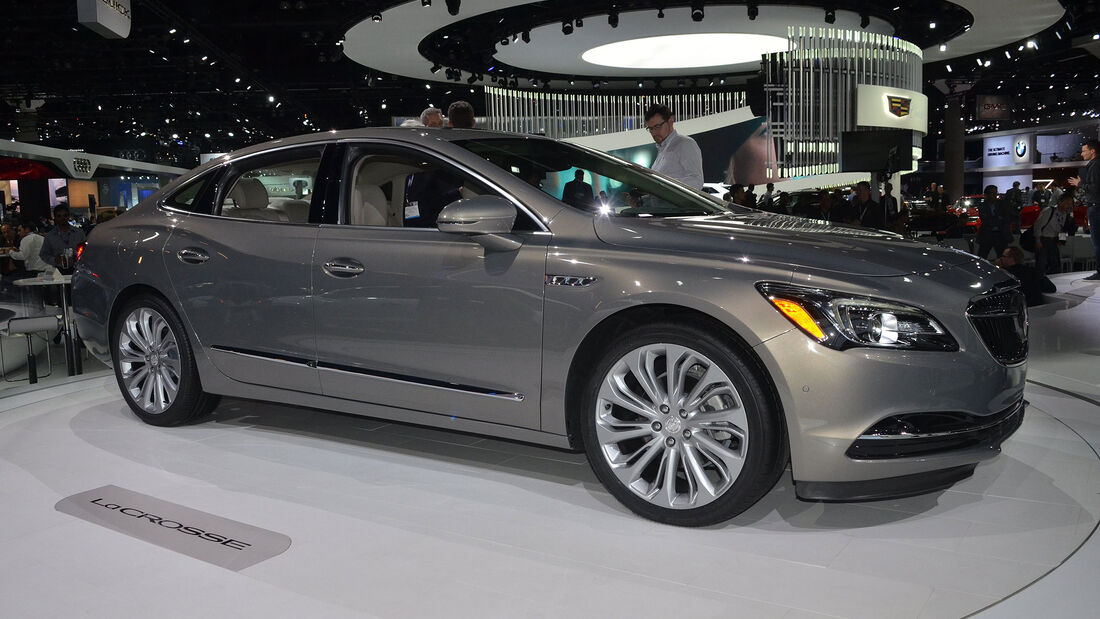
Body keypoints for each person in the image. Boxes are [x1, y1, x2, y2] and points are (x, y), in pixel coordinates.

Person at [644, 103, 704, 189]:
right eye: (650, 129)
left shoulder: (686, 144)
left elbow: (696, 181)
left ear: (670, 121)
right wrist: (641, 201)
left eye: (657, 126)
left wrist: (662, 185)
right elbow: (658, 195)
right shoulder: (662, 150)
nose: (653, 133)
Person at [1068, 138, 1100, 280]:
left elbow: (1094, 188)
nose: (1082, 154)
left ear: (1092, 151)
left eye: (1084, 151)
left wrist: (1080, 184)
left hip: (1096, 208)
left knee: (1097, 242)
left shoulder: (1095, 165)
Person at [1034, 193, 1077, 274]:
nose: (1069, 206)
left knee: (1055, 264)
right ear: (1060, 202)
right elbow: (1038, 226)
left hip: (1054, 240)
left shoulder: (1065, 215)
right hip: (1043, 239)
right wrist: (1038, 240)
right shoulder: (1049, 211)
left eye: (1070, 204)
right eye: (1067, 203)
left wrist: (1061, 240)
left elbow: (1062, 229)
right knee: (1042, 264)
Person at [39, 204, 86, 271]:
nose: (62, 218)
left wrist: (79, 257)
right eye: (59, 216)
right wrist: (54, 260)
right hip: (58, 271)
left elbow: (86, 251)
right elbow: (43, 254)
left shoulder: (79, 233)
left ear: (68, 216)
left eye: (65, 215)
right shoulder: (49, 236)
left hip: (78, 269)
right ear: (55, 217)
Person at [975, 185, 1012, 261]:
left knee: (1003, 257)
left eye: (996, 193)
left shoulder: (1002, 204)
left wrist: (996, 220)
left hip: (1001, 234)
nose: (995, 196)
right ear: (987, 195)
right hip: (987, 234)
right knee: (982, 257)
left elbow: (1007, 219)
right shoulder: (982, 205)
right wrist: (998, 219)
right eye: (992, 193)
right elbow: (986, 220)